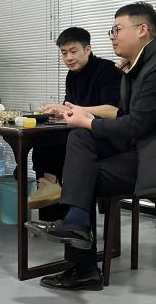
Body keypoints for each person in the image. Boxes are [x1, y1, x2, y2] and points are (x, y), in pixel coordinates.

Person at [26, 2, 156, 291]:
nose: (112, 36)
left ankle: (83, 261)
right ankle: (77, 229)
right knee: (79, 143)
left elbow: (134, 124)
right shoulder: (140, 67)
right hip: (148, 151)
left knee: (82, 172)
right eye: (111, 30)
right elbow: (129, 119)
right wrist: (89, 121)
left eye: (117, 29)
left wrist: (89, 122)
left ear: (142, 30)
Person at [28, 27, 123, 222]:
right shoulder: (72, 75)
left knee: (67, 142)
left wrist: (77, 110)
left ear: (87, 49)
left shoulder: (108, 71)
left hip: (105, 137)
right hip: (80, 132)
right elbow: (70, 107)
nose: (68, 58)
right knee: (43, 140)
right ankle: (50, 207)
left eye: (73, 51)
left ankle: (61, 206)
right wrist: (59, 111)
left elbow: (114, 111)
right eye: (64, 53)